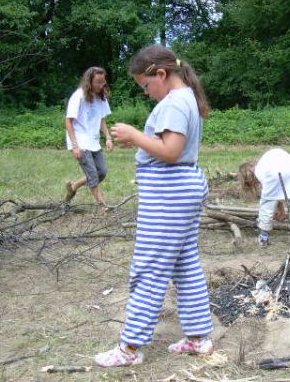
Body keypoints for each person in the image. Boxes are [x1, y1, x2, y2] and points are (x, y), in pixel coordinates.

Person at [94, 45, 214, 367]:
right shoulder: (184, 97)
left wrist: (134, 135)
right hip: (180, 190)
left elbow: (171, 150)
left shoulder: (175, 102)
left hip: (169, 193)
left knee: (149, 268)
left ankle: (130, 349)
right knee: (184, 265)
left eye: (146, 87)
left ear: (161, 74)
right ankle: (198, 338)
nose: (147, 94)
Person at [238, 148, 290, 248]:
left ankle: (263, 237)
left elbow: (273, 195)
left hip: (276, 172)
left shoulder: (261, 169)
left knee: (266, 206)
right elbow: (278, 193)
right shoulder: (266, 160)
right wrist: (281, 209)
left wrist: (279, 209)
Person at [64, 66, 113, 207]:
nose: (101, 85)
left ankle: (73, 187)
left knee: (101, 172)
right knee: (92, 175)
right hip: (80, 141)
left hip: (93, 141)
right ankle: (104, 205)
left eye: (103, 81)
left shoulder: (101, 97)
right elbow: (68, 121)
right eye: (98, 82)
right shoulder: (78, 96)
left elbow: (102, 119)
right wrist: (75, 146)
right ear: (89, 81)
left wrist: (108, 137)